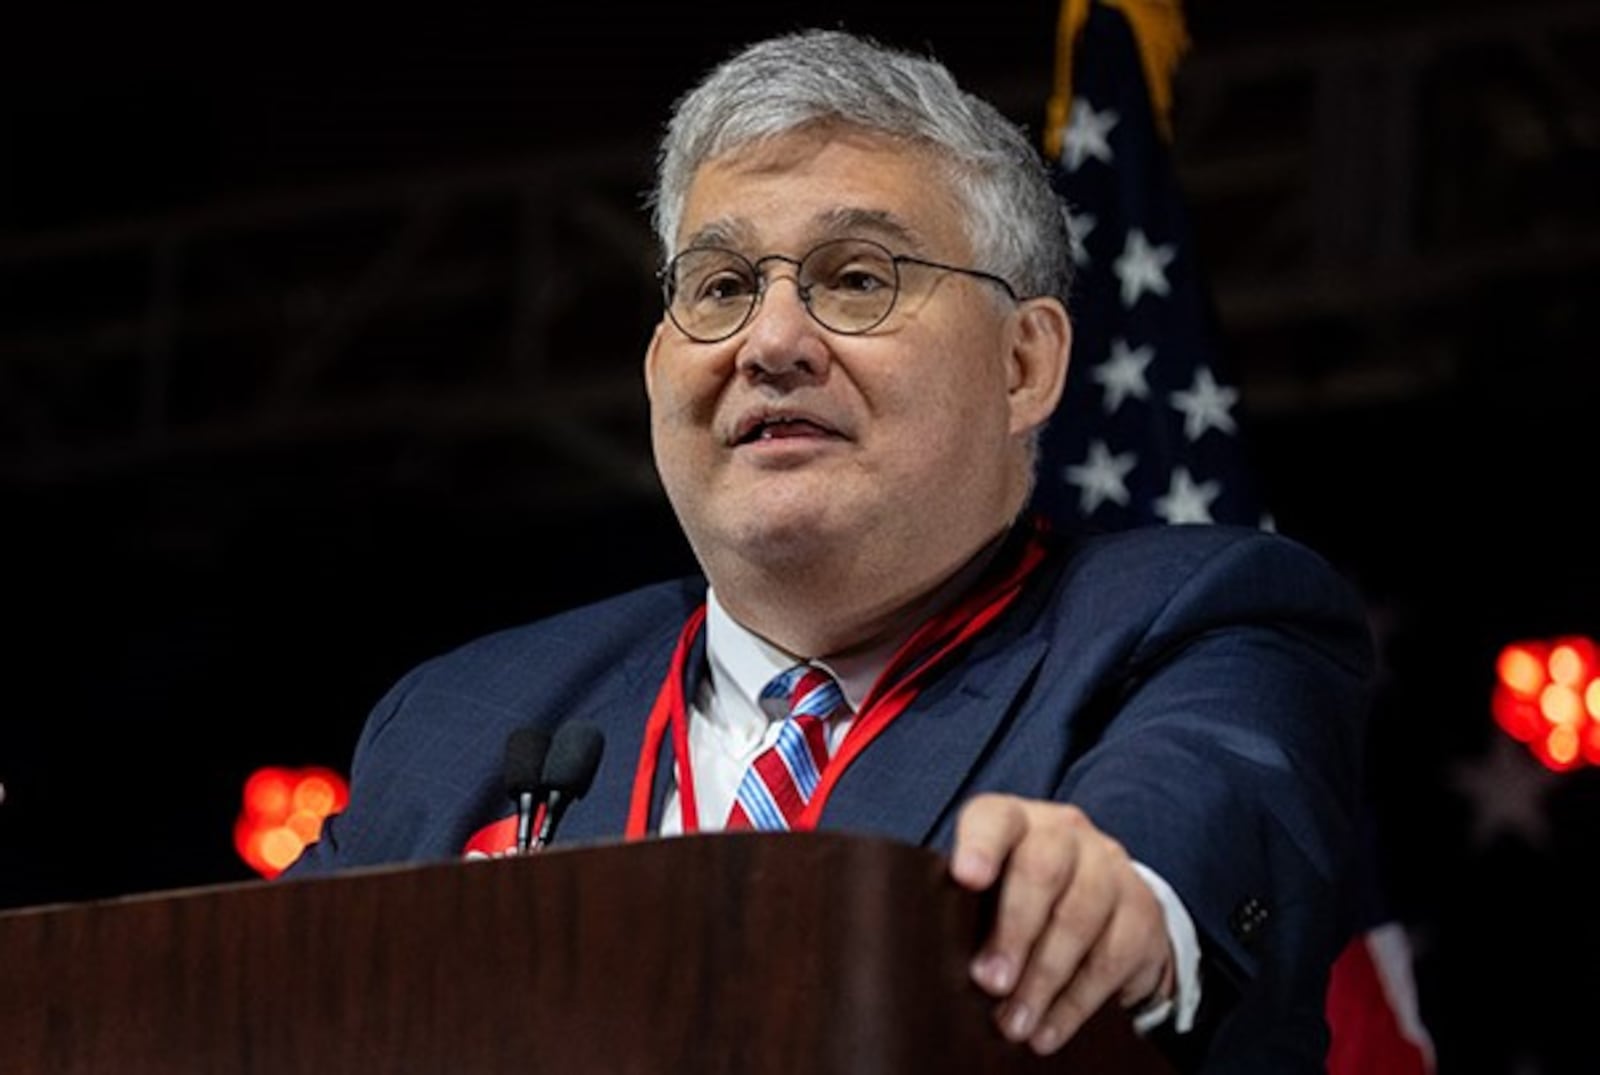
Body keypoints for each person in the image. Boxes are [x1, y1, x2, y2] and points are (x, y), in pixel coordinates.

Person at [281, 27, 1373, 1073]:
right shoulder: (455, 723)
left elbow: (1198, 809)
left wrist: (1119, 900)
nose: (770, 343)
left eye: (857, 278)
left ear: (1024, 365)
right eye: (720, 288)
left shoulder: (1197, 622)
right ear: (659, 363)